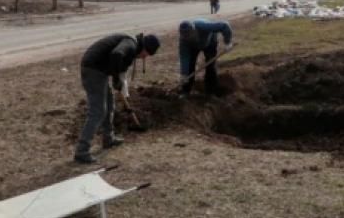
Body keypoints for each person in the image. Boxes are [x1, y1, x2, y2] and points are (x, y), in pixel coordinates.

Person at [74, 32, 161, 164]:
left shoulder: (131, 50)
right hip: (92, 69)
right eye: (146, 55)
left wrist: (125, 97)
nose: (144, 57)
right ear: (144, 49)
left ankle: (108, 138)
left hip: (100, 71)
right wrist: (115, 79)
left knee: (110, 104)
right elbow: (116, 54)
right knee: (98, 112)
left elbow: (122, 77)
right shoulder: (130, 44)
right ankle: (82, 151)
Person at [178, 19, 233, 98]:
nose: (187, 38)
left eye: (188, 35)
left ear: (193, 31)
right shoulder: (183, 40)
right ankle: (186, 91)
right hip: (193, 47)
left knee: (211, 65)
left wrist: (228, 42)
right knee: (189, 66)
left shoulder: (204, 26)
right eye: (184, 36)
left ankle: (211, 92)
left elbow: (224, 25)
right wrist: (184, 74)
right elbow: (184, 56)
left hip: (210, 42)